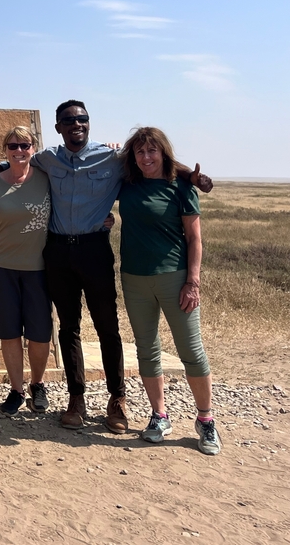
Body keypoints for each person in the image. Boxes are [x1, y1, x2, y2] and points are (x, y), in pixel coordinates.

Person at [0, 100, 213, 434]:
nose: (77, 124)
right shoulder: (48, 158)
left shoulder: (112, 158)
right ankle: (76, 398)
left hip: (94, 250)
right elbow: (8, 163)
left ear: (89, 124)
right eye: (68, 121)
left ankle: (116, 398)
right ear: (59, 127)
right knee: (68, 328)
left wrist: (191, 176)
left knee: (107, 326)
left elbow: (153, 159)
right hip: (58, 252)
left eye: (82, 119)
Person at [117, 127, 220, 455]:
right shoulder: (127, 185)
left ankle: (205, 420)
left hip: (175, 279)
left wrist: (193, 282)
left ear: (163, 153)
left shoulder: (180, 188)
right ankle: (159, 415)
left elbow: (194, 239)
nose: (146, 158)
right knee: (146, 349)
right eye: (140, 152)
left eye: (152, 151)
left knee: (191, 350)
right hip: (134, 279)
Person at [0, 126, 52, 415]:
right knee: (9, 333)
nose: (19, 151)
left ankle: (38, 385)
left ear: (33, 148)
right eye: (13, 146)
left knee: (40, 334)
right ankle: (17, 390)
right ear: (5, 150)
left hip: (40, 270)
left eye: (25, 145)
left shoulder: (46, 180)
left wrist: (104, 217)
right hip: (1, 268)